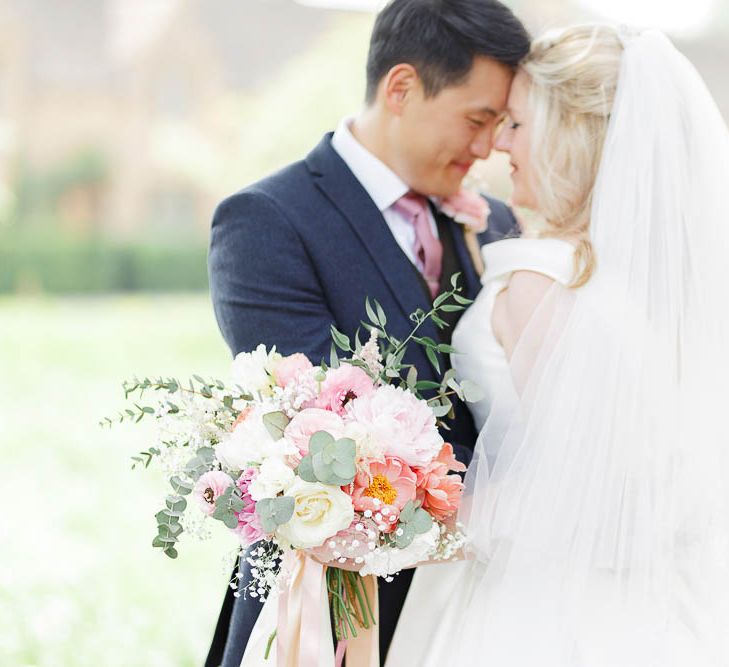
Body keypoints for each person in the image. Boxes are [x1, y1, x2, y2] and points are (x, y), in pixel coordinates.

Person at [386, 24, 729, 666]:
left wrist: (410, 513)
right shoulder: (633, 280)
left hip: (543, 604)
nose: (498, 145)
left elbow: (588, 484)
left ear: (571, 134)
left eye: (516, 124)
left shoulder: (542, 282)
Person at [205, 1, 530, 665]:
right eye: (476, 118)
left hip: (484, 608)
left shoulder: (498, 224)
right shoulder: (266, 222)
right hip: (334, 608)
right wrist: (523, 497)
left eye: (501, 124)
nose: (487, 146)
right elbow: (328, 434)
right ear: (401, 88)